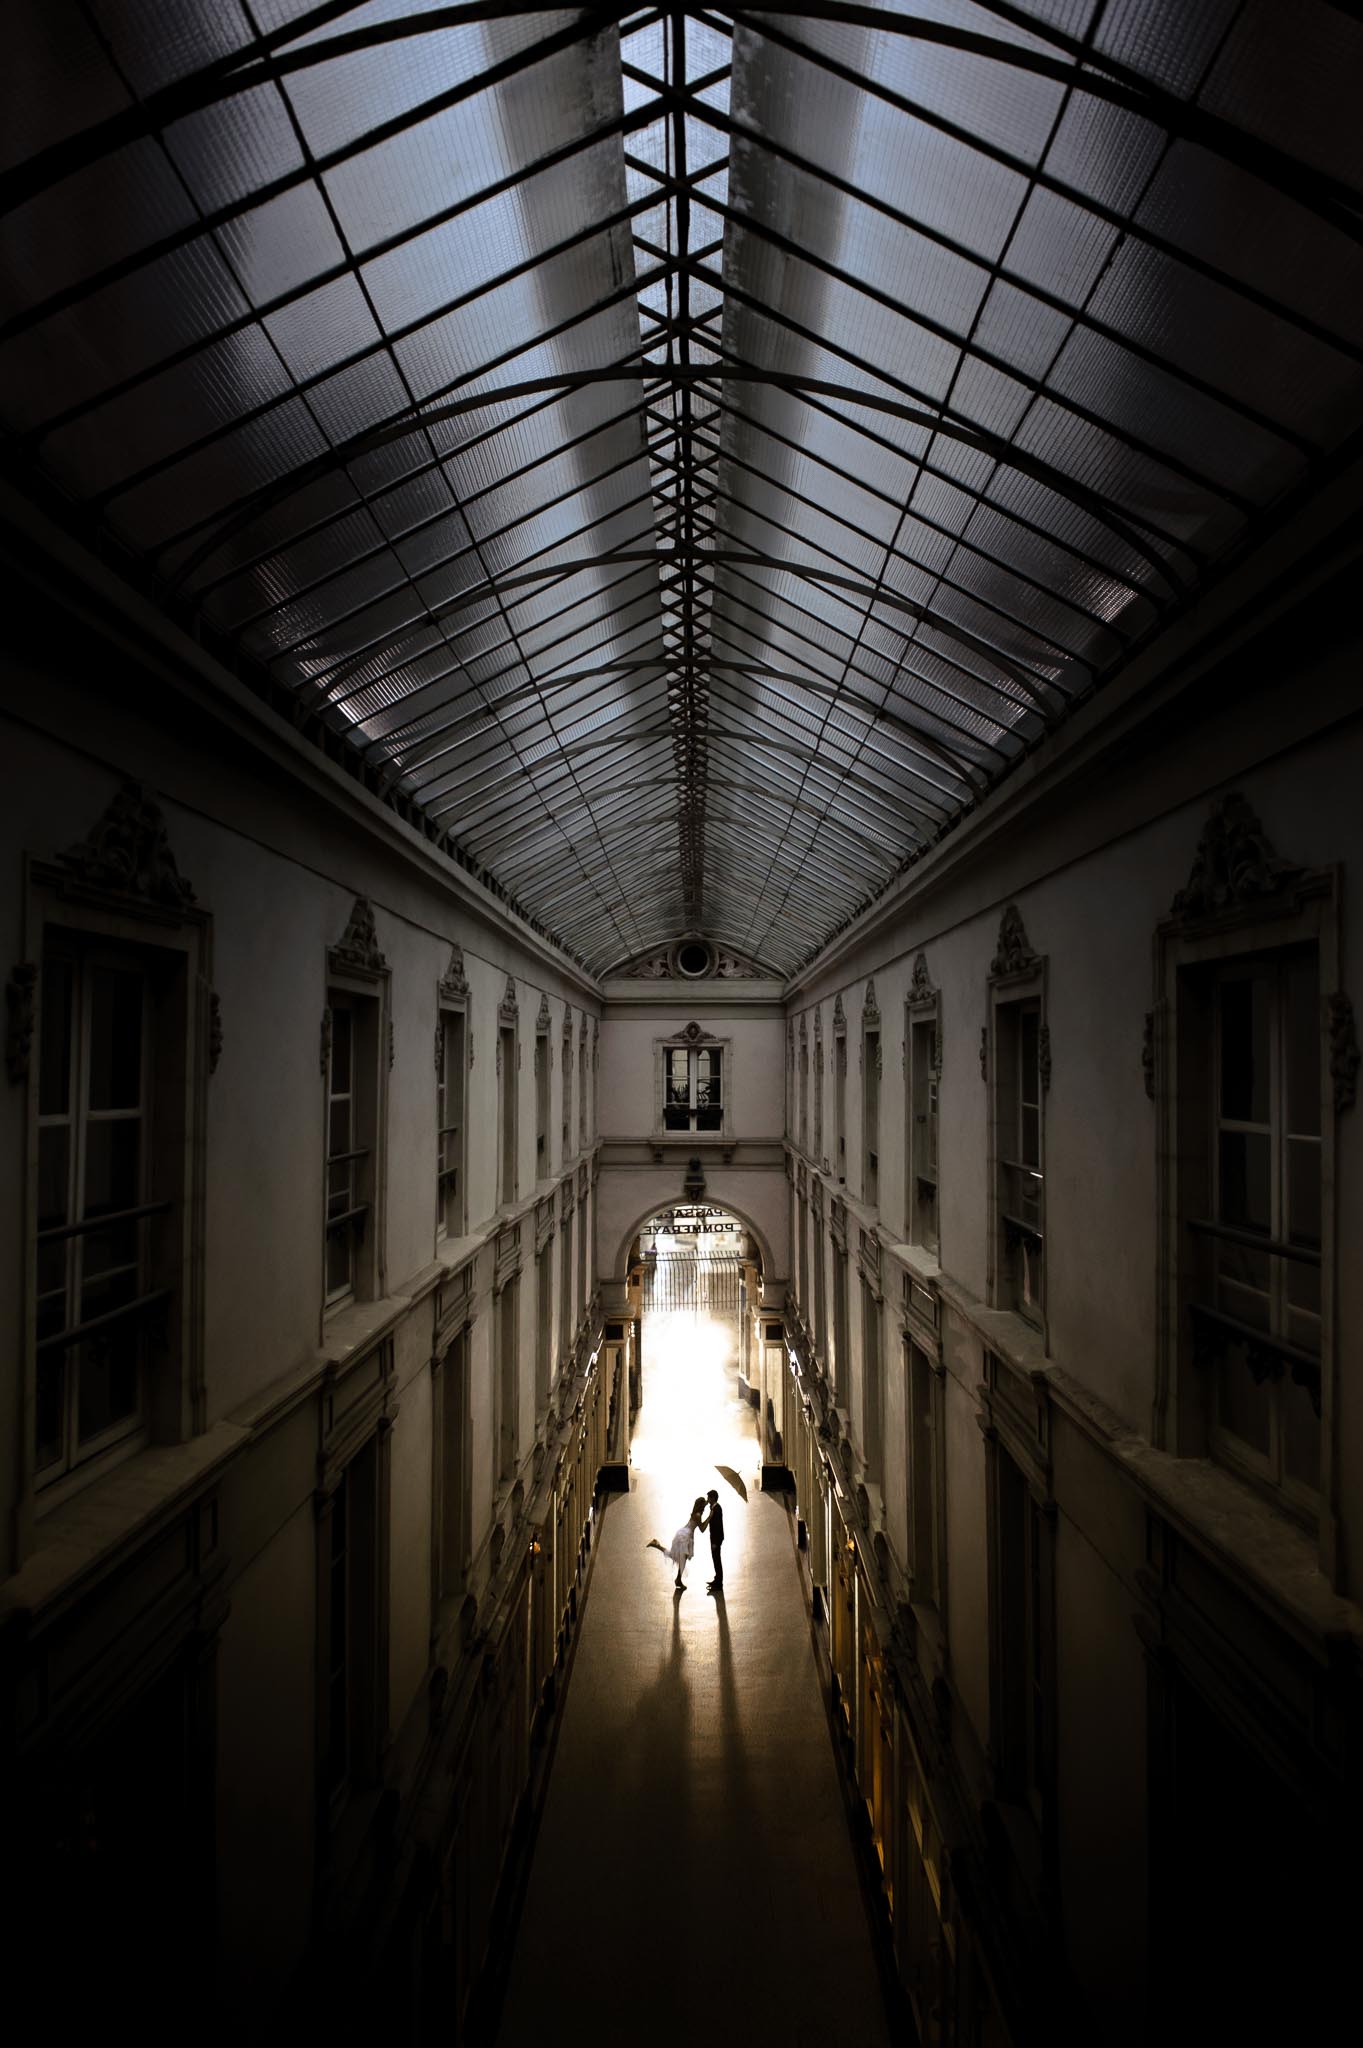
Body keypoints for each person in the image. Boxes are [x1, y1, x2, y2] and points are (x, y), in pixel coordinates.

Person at [660, 1498, 706, 1593]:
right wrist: (709, 1517)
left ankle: (678, 1579)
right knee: (682, 1559)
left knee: (677, 1557)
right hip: (686, 1536)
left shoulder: (695, 1513)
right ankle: (678, 1580)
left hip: (683, 1533)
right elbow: (702, 1529)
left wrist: (707, 1503)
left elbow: (704, 1503)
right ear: (701, 1506)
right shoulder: (698, 1515)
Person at [701, 1488, 725, 1593]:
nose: (707, 1499)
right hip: (714, 1538)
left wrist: (715, 1542)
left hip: (716, 1539)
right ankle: (717, 1579)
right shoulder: (713, 1507)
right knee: (715, 1560)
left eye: (708, 1498)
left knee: (717, 1560)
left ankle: (719, 1583)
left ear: (713, 1498)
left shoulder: (717, 1509)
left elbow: (718, 1526)